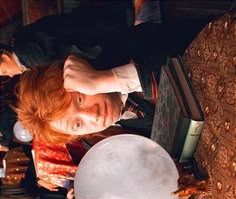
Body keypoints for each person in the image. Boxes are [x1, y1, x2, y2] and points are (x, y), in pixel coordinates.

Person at [14, 12, 226, 144]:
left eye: (80, 99)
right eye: (78, 125)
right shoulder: (110, 140)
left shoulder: (125, 45)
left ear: (77, 75)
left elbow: (201, 57)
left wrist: (103, 80)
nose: (92, 115)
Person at [0, 2, 133, 77]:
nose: (10, 75)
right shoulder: (22, 40)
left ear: (5, 57)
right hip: (94, 22)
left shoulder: (30, 55)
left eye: (4, 71)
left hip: (103, 37)